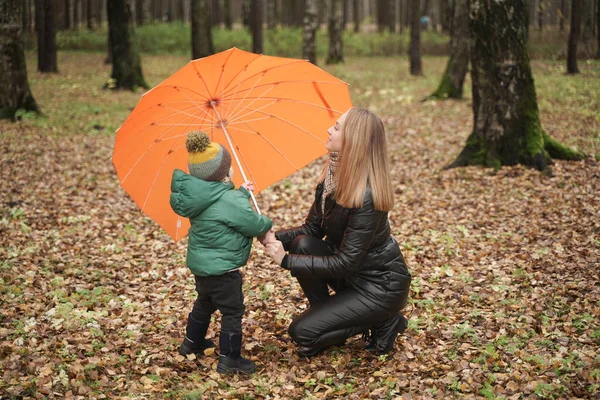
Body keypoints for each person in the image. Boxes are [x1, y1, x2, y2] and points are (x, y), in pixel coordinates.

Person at [263, 107, 411, 357]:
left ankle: (385, 321)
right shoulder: (333, 177)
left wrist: (286, 261)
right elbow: (312, 229)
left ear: (353, 140)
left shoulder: (367, 197)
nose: (329, 130)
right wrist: (269, 236)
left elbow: (345, 263)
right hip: (352, 278)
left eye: (337, 127)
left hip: (380, 288)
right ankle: (330, 319)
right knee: (302, 242)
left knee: (302, 333)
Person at [170, 131, 273, 374]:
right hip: (224, 270)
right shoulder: (227, 200)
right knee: (232, 310)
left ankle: (191, 343)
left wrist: (241, 193)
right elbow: (251, 224)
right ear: (224, 173)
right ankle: (230, 359)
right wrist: (266, 222)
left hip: (203, 268)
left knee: (204, 302)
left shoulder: (202, 197)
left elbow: (221, 205)